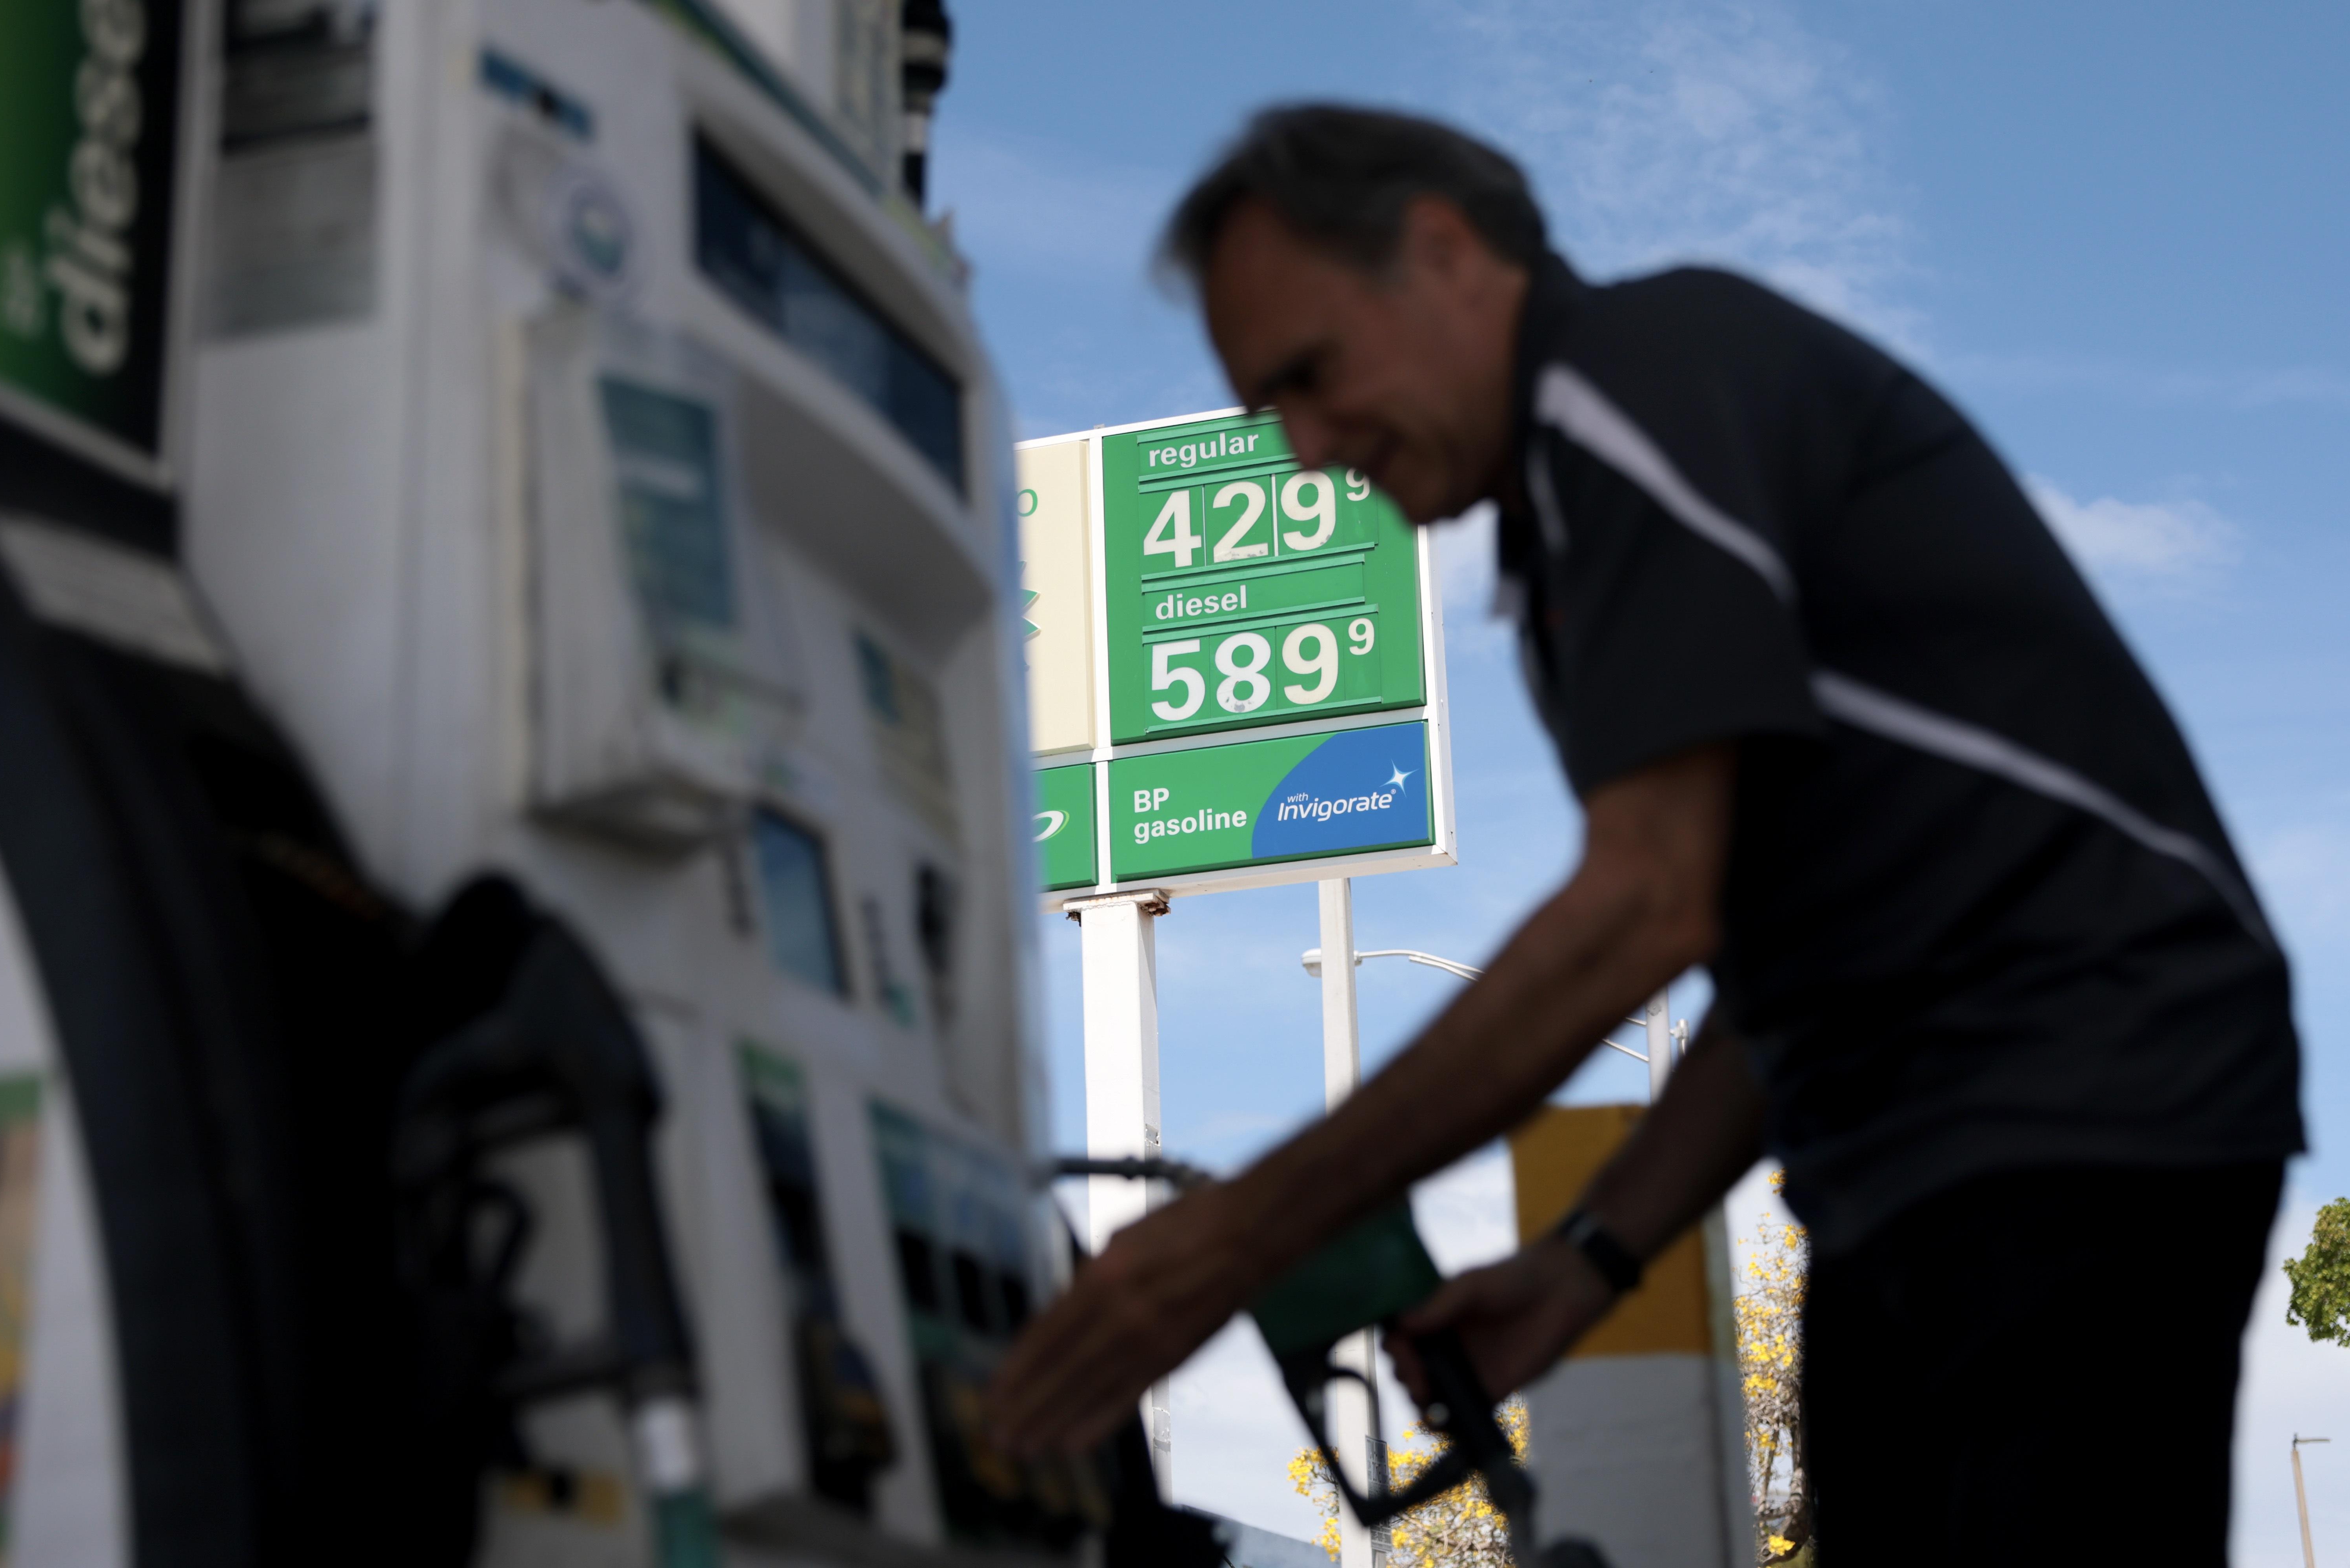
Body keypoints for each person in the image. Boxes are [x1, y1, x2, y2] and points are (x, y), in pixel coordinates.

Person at [985, 105, 2300, 1563]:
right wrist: (1584, 1262)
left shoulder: (1627, 386)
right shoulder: (1569, 531)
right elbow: (1765, 963)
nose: (1303, 450)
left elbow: (1644, 908)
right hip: (1928, 1138)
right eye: (1264, 411)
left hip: (2075, 1088)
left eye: (1312, 373)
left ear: (1445, 251)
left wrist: (1238, 1239)